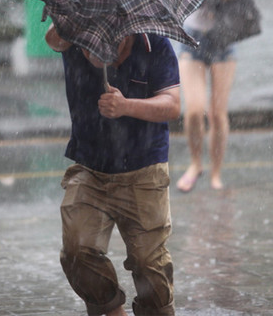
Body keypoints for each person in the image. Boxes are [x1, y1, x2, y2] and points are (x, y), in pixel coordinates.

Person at [45, 24, 181, 316]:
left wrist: (126, 106)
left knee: (149, 263)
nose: (100, 51)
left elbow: (172, 105)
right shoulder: (76, 38)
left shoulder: (154, 44)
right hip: (91, 168)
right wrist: (72, 21)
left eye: (113, 43)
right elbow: (52, 40)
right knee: (77, 251)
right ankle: (111, 309)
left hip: (144, 169)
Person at [175, 0, 240, 192]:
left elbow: (237, 6)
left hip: (224, 40)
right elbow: (179, 0)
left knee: (218, 113)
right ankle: (196, 164)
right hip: (192, 37)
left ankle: (216, 173)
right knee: (194, 110)